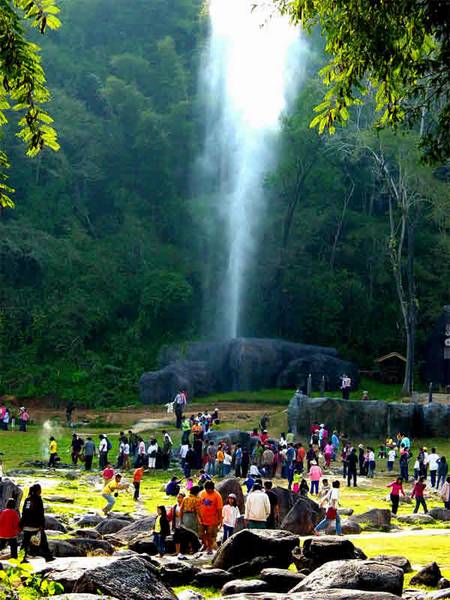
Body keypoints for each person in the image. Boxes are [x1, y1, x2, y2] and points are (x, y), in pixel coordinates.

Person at [20, 484, 54, 561]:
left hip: (26, 525)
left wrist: (22, 523)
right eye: (40, 490)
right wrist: (42, 524)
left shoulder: (27, 499)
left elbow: (24, 512)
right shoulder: (38, 499)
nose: (41, 491)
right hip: (35, 525)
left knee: (25, 543)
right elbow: (40, 513)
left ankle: (21, 558)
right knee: (43, 541)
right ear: (38, 491)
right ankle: (48, 557)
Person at [199, 481, 223, 554]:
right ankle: (204, 544)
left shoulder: (217, 496)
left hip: (212, 519)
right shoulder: (202, 493)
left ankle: (210, 548)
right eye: (206, 489)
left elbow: (219, 509)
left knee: (210, 534)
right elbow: (199, 504)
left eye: (209, 490)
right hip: (202, 518)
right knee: (201, 533)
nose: (207, 491)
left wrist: (219, 519)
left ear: (212, 489)